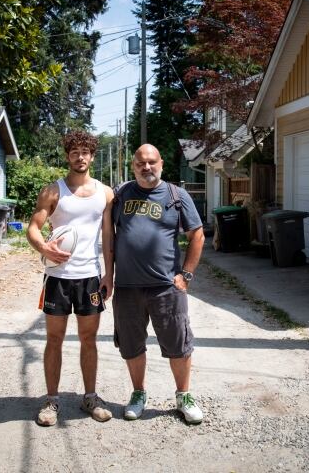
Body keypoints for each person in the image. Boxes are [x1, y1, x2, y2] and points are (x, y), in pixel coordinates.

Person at [108, 144, 205, 424]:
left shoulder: (177, 195)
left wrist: (185, 275)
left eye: (151, 162)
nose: (146, 167)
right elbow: (104, 230)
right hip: (127, 287)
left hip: (166, 287)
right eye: (141, 163)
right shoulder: (120, 195)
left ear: (161, 163)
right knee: (131, 344)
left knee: (179, 343)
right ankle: (138, 393)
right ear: (133, 165)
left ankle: (184, 396)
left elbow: (196, 234)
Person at [26, 131, 115, 426]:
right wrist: (43, 246)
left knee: (89, 339)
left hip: (90, 277)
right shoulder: (54, 191)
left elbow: (108, 235)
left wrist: (108, 274)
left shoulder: (105, 193)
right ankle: (51, 401)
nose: (80, 157)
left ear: (92, 156)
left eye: (85, 152)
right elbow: (34, 227)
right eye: (75, 152)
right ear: (67, 155)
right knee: (54, 338)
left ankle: (90, 396)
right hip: (57, 278)